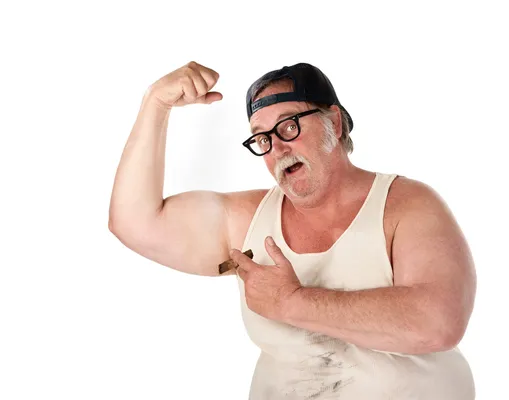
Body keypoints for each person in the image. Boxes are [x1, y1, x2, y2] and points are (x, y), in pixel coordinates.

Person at [109, 61, 477, 399]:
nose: (277, 148)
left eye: (289, 125)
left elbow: (438, 323)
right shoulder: (247, 219)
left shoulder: (406, 205)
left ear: (334, 122)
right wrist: (155, 104)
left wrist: (291, 302)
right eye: (262, 138)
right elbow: (133, 222)